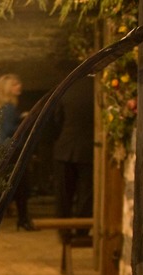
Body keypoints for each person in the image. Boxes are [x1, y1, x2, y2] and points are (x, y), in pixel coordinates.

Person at [0, 74, 36, 231]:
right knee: (19, 185)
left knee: (13, 185)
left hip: (4, 150)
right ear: (8, 89)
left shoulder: (3, 107)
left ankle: (20, 219)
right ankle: (22, 220)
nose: (19, 86)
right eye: (15, 84)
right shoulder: (8, 108)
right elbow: (10, 130)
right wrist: (26, 120)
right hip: (12, 151)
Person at [52, 77, 95, 219]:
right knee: (86, 194)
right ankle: (81, 231)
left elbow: (57, 120)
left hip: (65, 148)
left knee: (64, 194)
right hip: (89, 148)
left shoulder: (66, 88)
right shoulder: (97, 89)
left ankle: (64, 230)